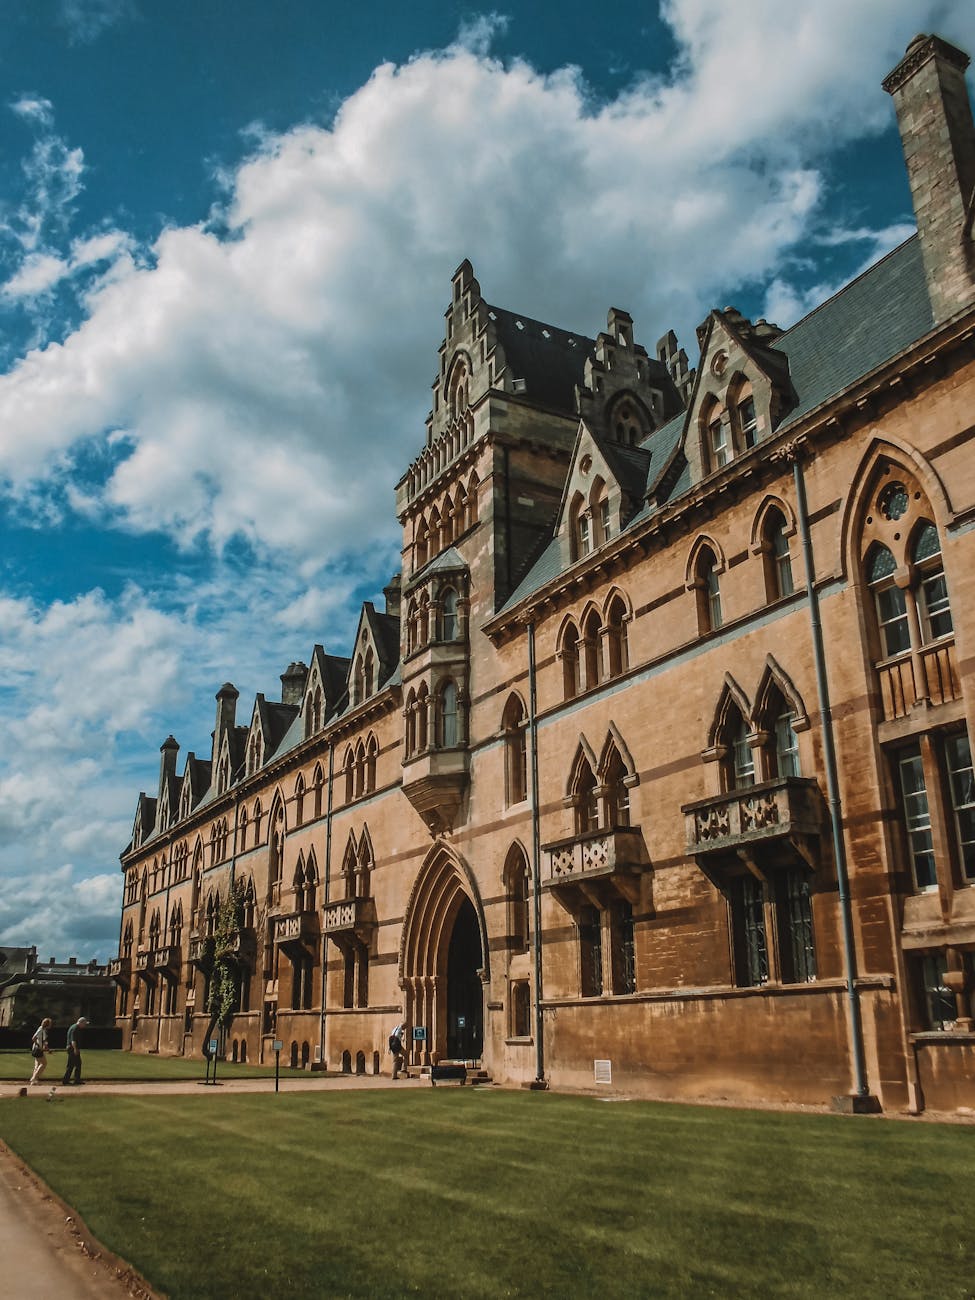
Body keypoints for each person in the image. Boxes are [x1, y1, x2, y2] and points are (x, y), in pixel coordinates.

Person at [62, 1016, 88, 1085]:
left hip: (72, 1048)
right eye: (85, 1024)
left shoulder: (74, 1027)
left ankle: (76, 1079)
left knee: (77, 1064)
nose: (85, 1026)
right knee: (71, 1065)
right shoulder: (75, 1028)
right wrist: (75, 1049)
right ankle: (67, 1080)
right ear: (81, 1023)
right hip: (72, 1048)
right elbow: (73, 1040)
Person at [29, 1017, 53, 1086]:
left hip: (36, 1049)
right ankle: (34, 1078)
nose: (51, 1025)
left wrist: (47, 1049)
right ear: (47, 1024)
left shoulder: (42, 1029)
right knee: (44, 1063)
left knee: (37, 1064)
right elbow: (34, 1038)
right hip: (38, 1050)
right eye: (50, 1024)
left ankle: (33, 1081)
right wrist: (39, 1046)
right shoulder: (41, 1030)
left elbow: (43, 1042)